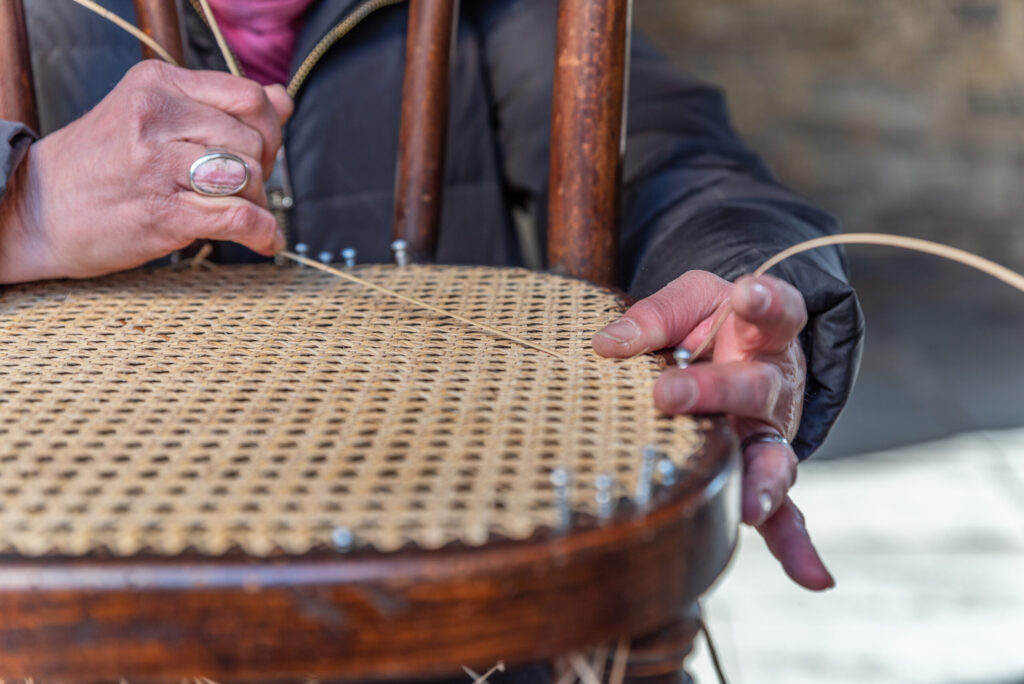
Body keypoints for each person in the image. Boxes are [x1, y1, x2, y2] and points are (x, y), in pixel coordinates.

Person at [0, 0, 863, 592]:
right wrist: (26, 202)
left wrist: (752, 288)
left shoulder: (495, 17)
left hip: (474, 593)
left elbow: (682, 165)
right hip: (88, 591)